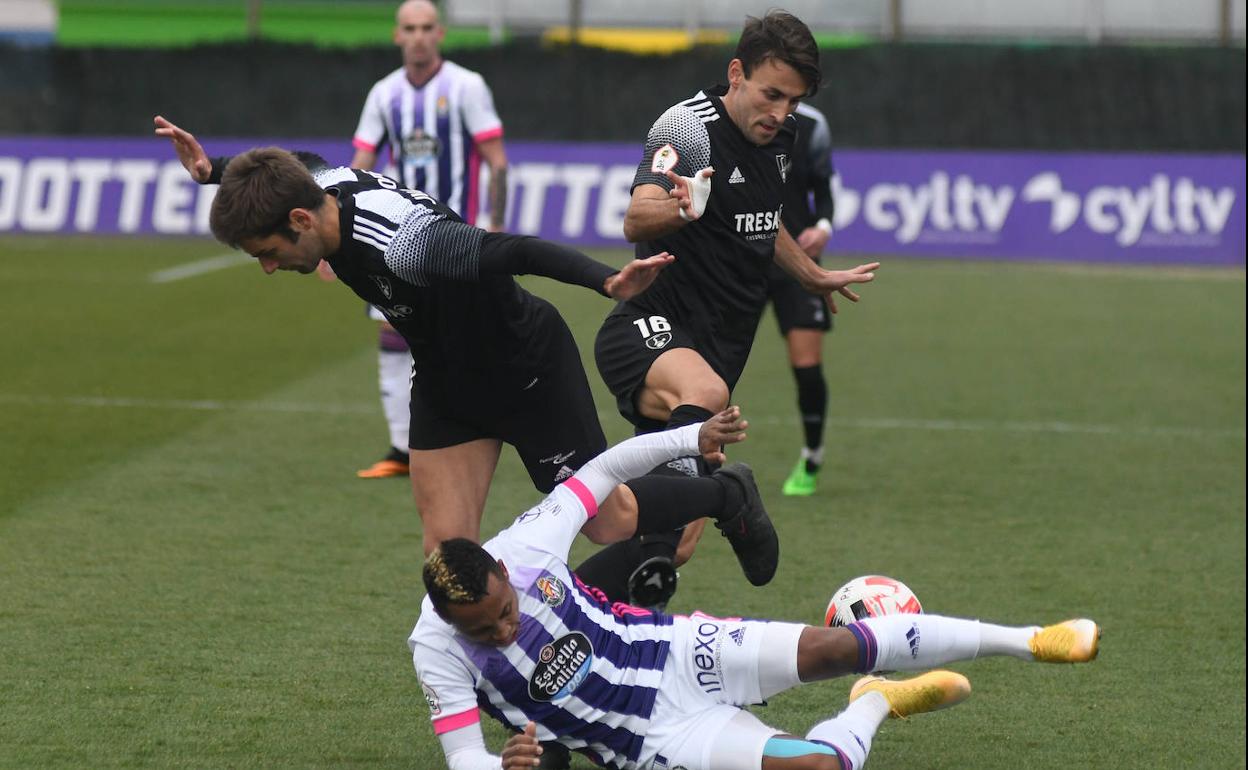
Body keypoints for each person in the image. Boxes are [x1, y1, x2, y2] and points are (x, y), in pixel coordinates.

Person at [413, 412, 1102, 770]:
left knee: (837, 646)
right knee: (821, 765)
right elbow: (462, 754)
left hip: (681, 650)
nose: (501, 630)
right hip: (654, 740)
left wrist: (692, 435)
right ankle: (877, 704)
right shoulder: (435, 648)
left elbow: (608, 466)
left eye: (503, 613)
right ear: (450, 623)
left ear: (503, 574)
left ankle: (1030, 640)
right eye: (481, 631)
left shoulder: (528, 546)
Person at [152, 118, 682, 561]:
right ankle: (480, 676)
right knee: (447, 555)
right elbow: (295, 159)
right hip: (444, 380)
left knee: (608, 524)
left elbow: (510, 250)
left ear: (299, 219)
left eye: (266, 251)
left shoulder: (406, 243)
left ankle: (721, 492)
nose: (268, 267)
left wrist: (605, 280)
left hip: (524, 367)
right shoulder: (316, 182)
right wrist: (212, 171)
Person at [584, 11, 877, 606]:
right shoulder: (688, 128)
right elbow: (637, 217)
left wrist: (812, 275)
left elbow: (761, 225)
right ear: (736, 73)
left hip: (719, 348)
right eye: (771, 95)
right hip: (649, 328)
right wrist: (686, 207)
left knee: (667, 537)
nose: (780, 113)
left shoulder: (783, 139)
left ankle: (583, 611)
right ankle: (729, 496)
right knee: (708, 395)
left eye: (793, 103)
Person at [346, 0, 511, 479]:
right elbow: (361, 163)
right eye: (409, 29)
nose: (418, 36)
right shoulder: (384, 94)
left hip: (456, 234)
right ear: (397, 36)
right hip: (393, 235)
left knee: (467, 331)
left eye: (426, 28)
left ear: (439, 33)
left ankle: (483, 432)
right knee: (394, 331)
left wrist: (493, 226)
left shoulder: (466, 86)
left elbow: (495, 159)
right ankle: (401, 448)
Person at [768, 102, 838, 497]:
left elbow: (823, 187)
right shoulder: (726, 113)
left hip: (798, 260)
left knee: (807, 365)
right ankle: (699, 456)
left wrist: (824, 225)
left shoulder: (813, 124)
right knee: (715, 363)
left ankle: (812, 455)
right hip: (741, 259)